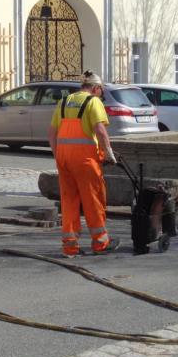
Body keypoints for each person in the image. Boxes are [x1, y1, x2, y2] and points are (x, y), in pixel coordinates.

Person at [48, 71, 120, 257]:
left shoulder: (64, 102)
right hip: (85, 160)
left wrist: (58, 156)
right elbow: (100, 130)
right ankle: (100, 242)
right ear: (96, 88)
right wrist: (109, 154)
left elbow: (51, 133)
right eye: (101, 91)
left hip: (64, 160)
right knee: (93, 200)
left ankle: (70, 247)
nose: (100, 94)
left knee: (69, 201)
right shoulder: (93, 102)